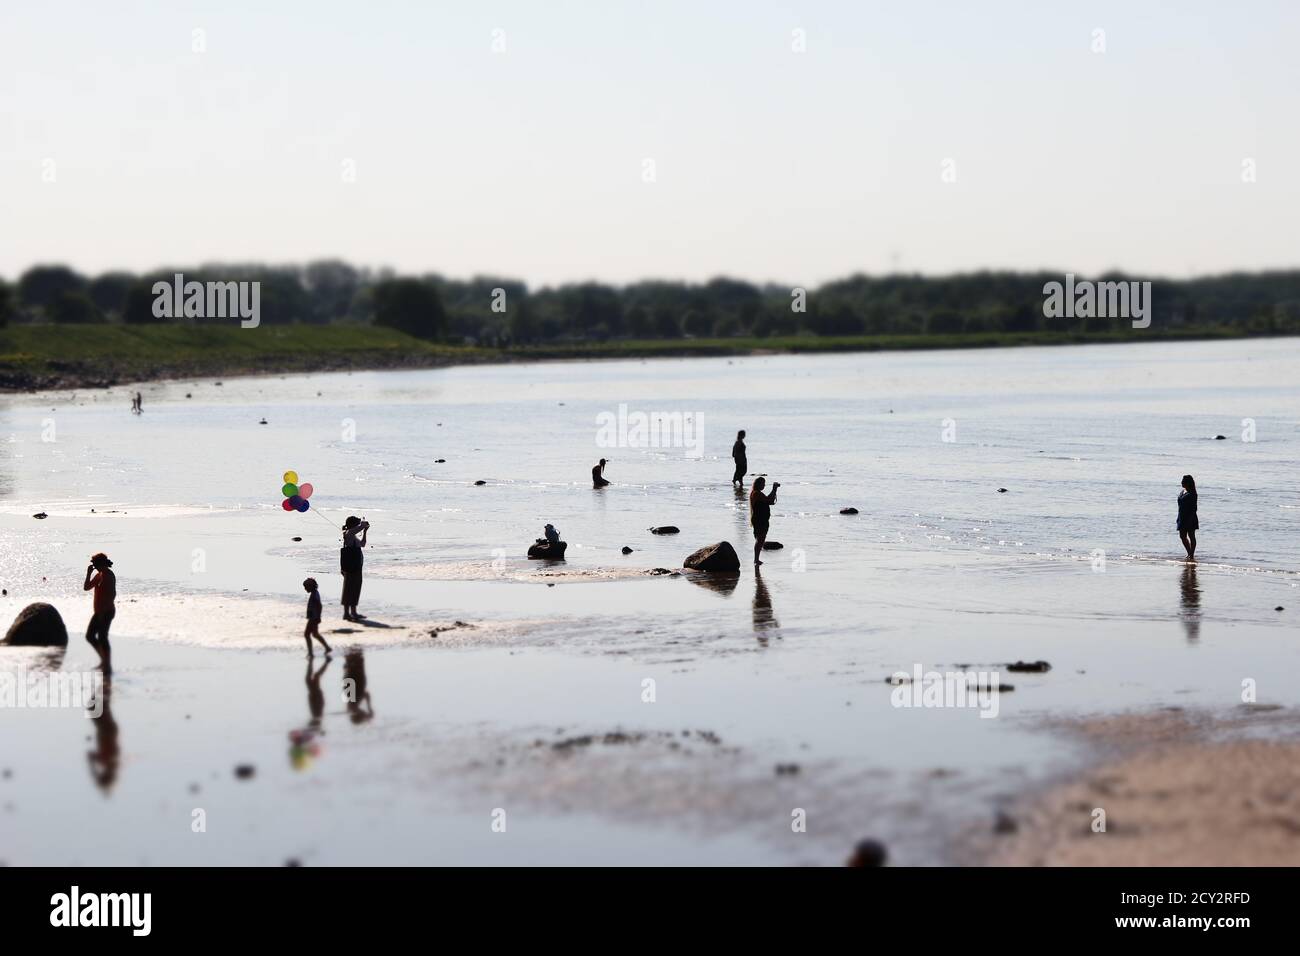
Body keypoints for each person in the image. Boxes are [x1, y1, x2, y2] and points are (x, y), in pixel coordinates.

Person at [83, 553, 116, 669]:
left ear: (101, 563)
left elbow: (112, 595)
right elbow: (86, 587)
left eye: (95, 564)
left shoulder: (108, 575)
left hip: (106, 611)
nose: (94, 566)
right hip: (98, 612)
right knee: (90, 636)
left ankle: (107, 664)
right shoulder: (99, 575)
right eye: (93, 564)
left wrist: (103, 612)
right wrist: (88, 574)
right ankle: (104, 660)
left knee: (102, 637)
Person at [340, 516, 369, 621]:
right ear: (352, 525)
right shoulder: (348, 534)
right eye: (356, 524)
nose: (358, 525)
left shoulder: (353, 535)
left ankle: (353, 612)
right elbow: (359, 527)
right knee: (349, 589)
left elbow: (363, 544)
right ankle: (347, 613)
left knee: (355, 588)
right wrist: (362, 525)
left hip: (356, 565)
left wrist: (365, 531)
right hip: (351, 566)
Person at [749, 477, 779, 565]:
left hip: (761, 519)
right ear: (758, 484)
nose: (764, 485)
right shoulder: (757, 493)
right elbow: (769, 500)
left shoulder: (757, 493)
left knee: (760, 539)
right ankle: (756, 559)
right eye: (763, 483)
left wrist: (774, 491)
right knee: (760, 539)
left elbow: (769, 500)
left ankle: (756, 559)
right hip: (759, 520)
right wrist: (774, 489)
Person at [303, 578, 331, 655]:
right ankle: (327, 648)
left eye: (306, 587)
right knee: (315, 634)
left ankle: (310, 652)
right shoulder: (314, 593)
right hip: (313, 617)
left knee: (307, 634)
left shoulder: (315, 595)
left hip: (313, 618)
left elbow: (319, 606)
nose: (305, 589)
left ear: (311, 586)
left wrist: (318, 617)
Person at [1177, 474, 1198, 560]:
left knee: (1191, 536)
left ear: (1188, 483)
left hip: (1190, 517)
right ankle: (1189, 552)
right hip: (1181, 516)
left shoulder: (1193, 493)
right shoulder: (1182, 491)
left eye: (1183, 481)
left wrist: (1190, 519)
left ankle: (1191, 554)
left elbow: (1194, 508)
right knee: (1182, 536)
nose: (1181, 482)